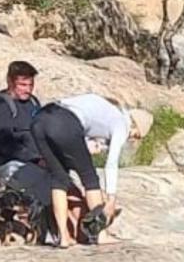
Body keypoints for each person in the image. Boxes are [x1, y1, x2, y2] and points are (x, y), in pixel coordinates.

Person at [31, 94, 151, 248]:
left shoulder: (109, 113)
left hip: (40, 121)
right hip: (64, 122)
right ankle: (101, 235)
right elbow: (111, 163)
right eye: (137, 136)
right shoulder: (122, 124)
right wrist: (111, 198)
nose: (133, 139)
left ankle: (64, 238)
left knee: (59, 178)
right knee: (90, 179)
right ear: (135, 126)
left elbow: (83, 127)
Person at [0, 61, 43, 177]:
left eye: (31, 85)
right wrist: (35, 159)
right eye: (22, 85)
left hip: (37, 160)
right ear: (10, 82)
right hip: (7, 163)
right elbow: (3, 144)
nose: (28, 90)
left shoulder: (33, 102)